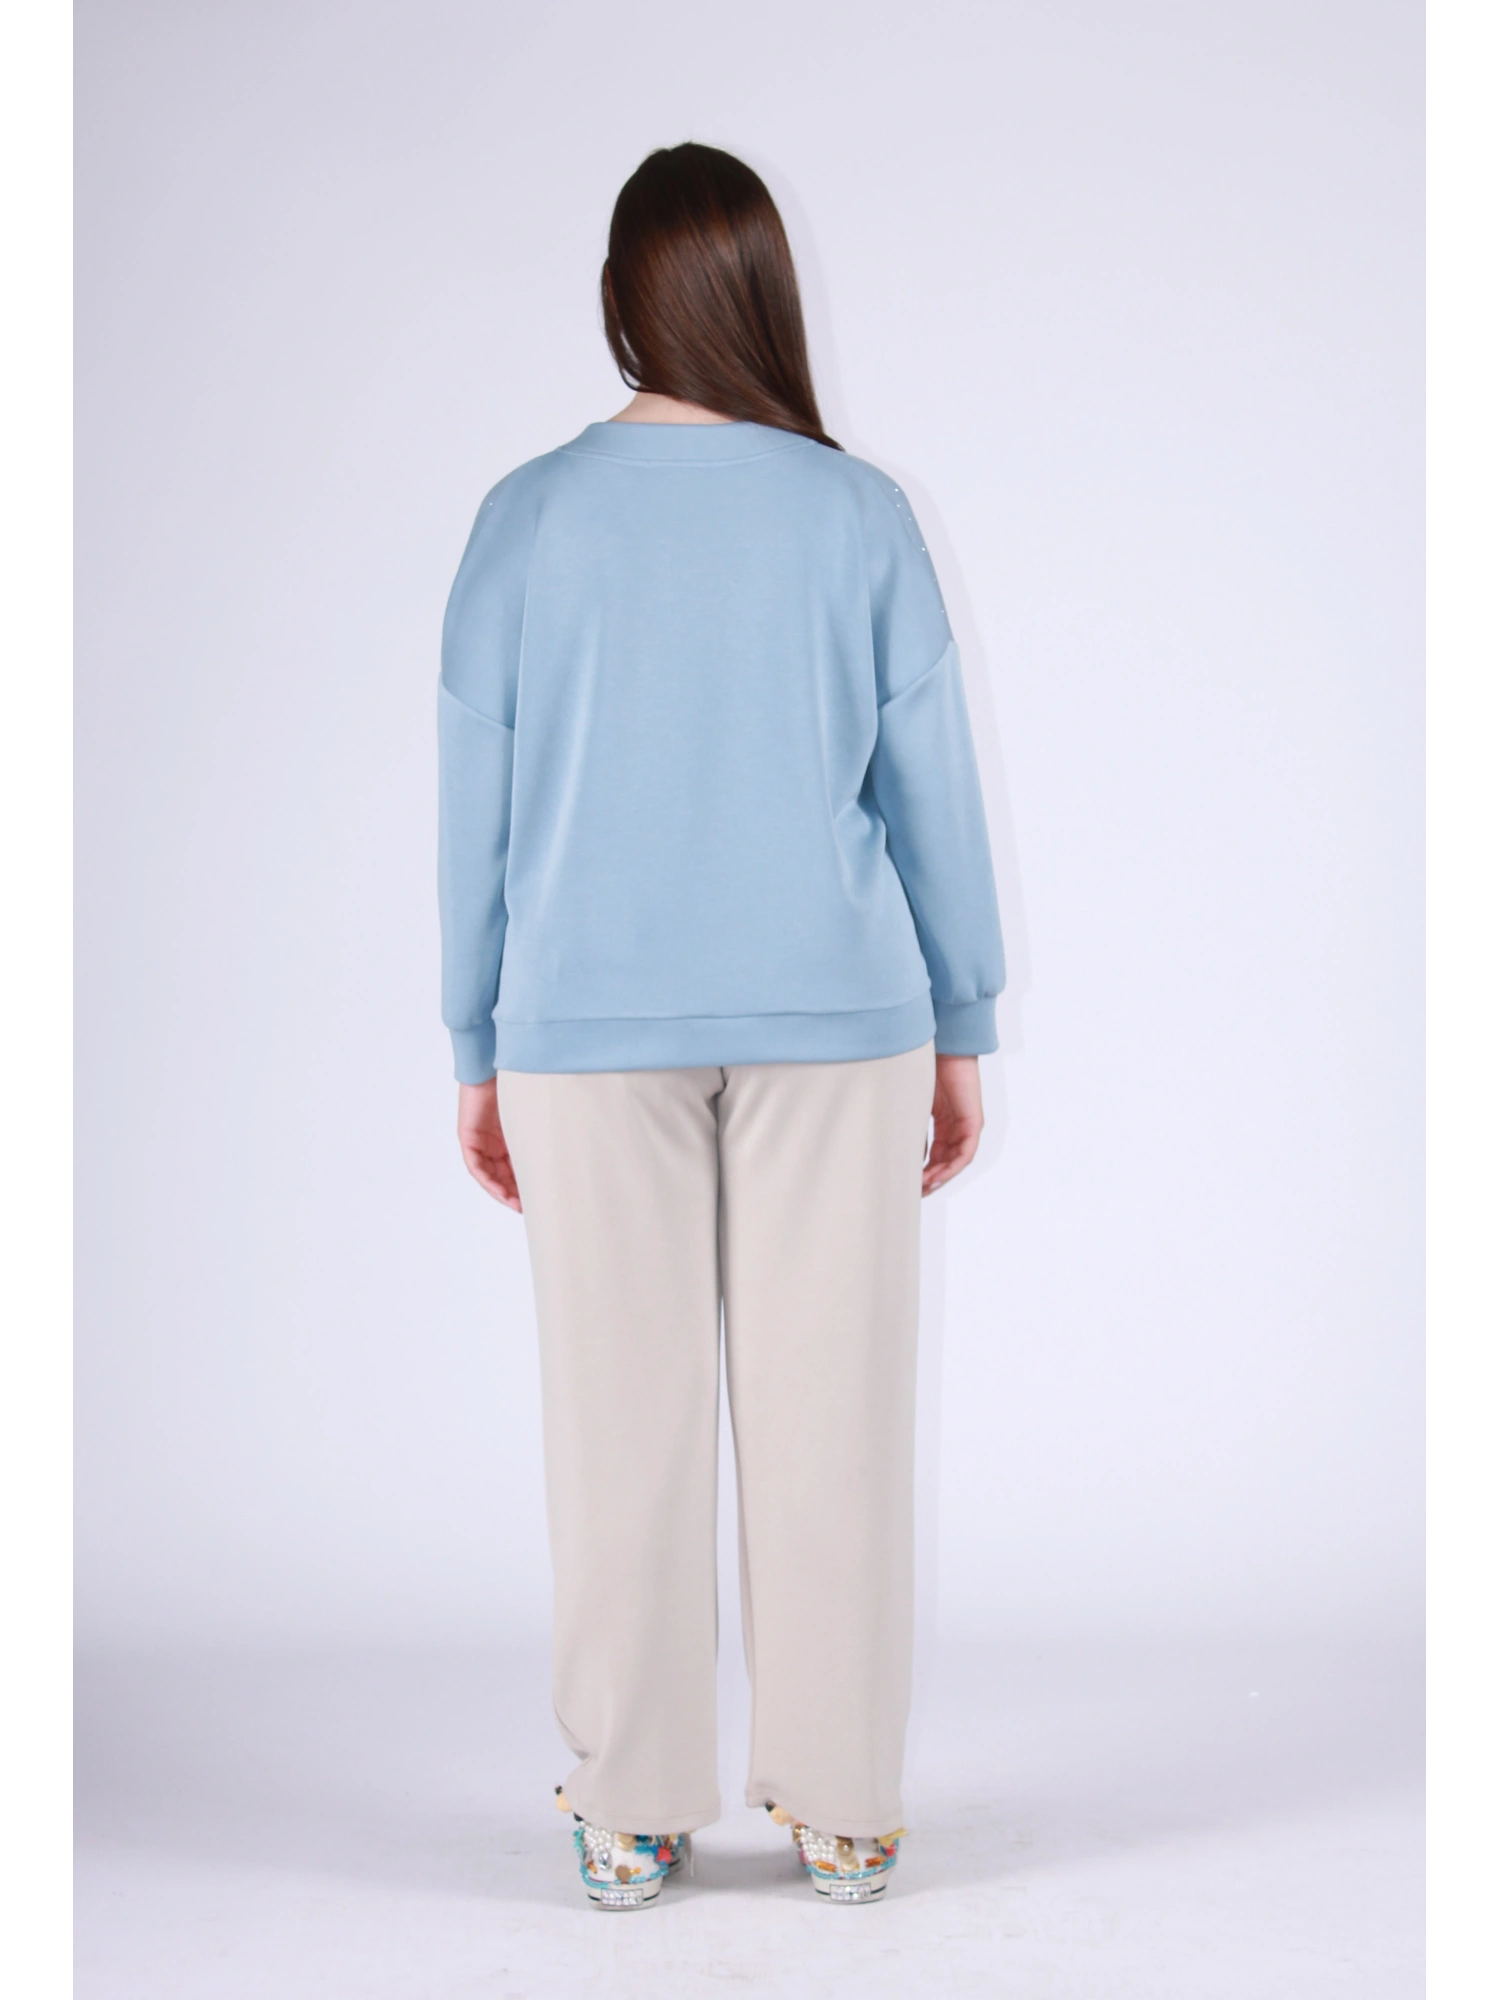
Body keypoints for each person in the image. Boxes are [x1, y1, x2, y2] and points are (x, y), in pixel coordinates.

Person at [438, 141, 1005, 1909]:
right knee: (836, 1416)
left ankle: (629, 1805)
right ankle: (844, 1807)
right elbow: (933, 792)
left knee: (620, 1424)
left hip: (581, 1021)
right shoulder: (858, 513)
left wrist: (474, 1043)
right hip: (842, 1013)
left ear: (621, 303)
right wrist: (961, 1022)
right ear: (767, 294)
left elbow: (475, 801)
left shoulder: (529, 516)